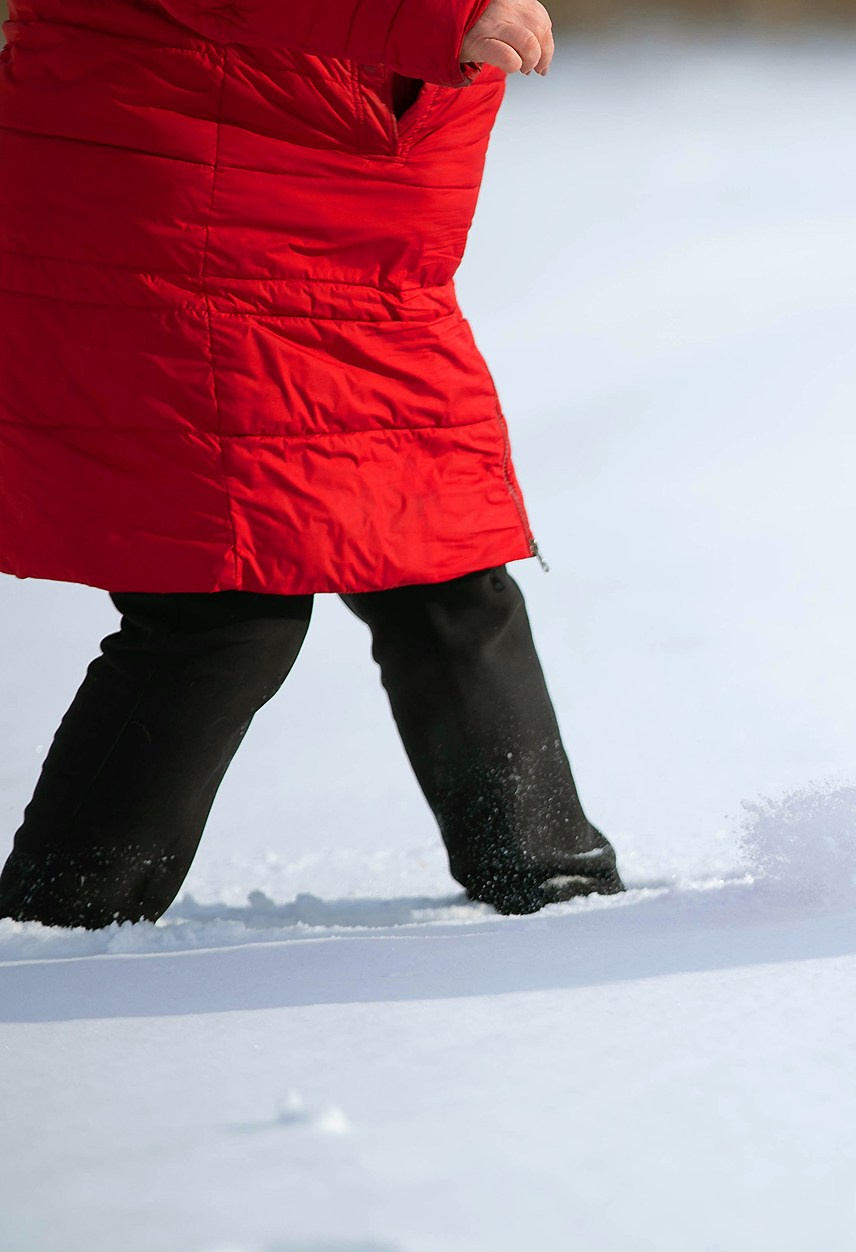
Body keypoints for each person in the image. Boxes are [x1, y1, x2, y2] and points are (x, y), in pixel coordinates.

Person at [0, 0, 622, 927]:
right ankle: (55, 918)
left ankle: (553, 887)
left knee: (441, 565)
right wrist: (440, 16)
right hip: (194, 223)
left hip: (341, 232)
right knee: (220, 605)